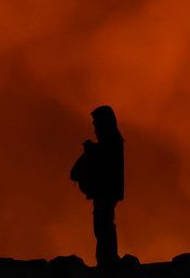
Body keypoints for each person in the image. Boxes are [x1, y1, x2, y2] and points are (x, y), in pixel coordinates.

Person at [69, 105, 125, 268]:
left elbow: (106, 162)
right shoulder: (110, 141)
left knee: (103, 225)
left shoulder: (110, 141)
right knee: (103, 225)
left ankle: (108, 260)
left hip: (106, 191)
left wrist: (92, 150)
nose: (94, 127)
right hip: (106, 191)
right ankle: (107, 259)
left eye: (96, 123)